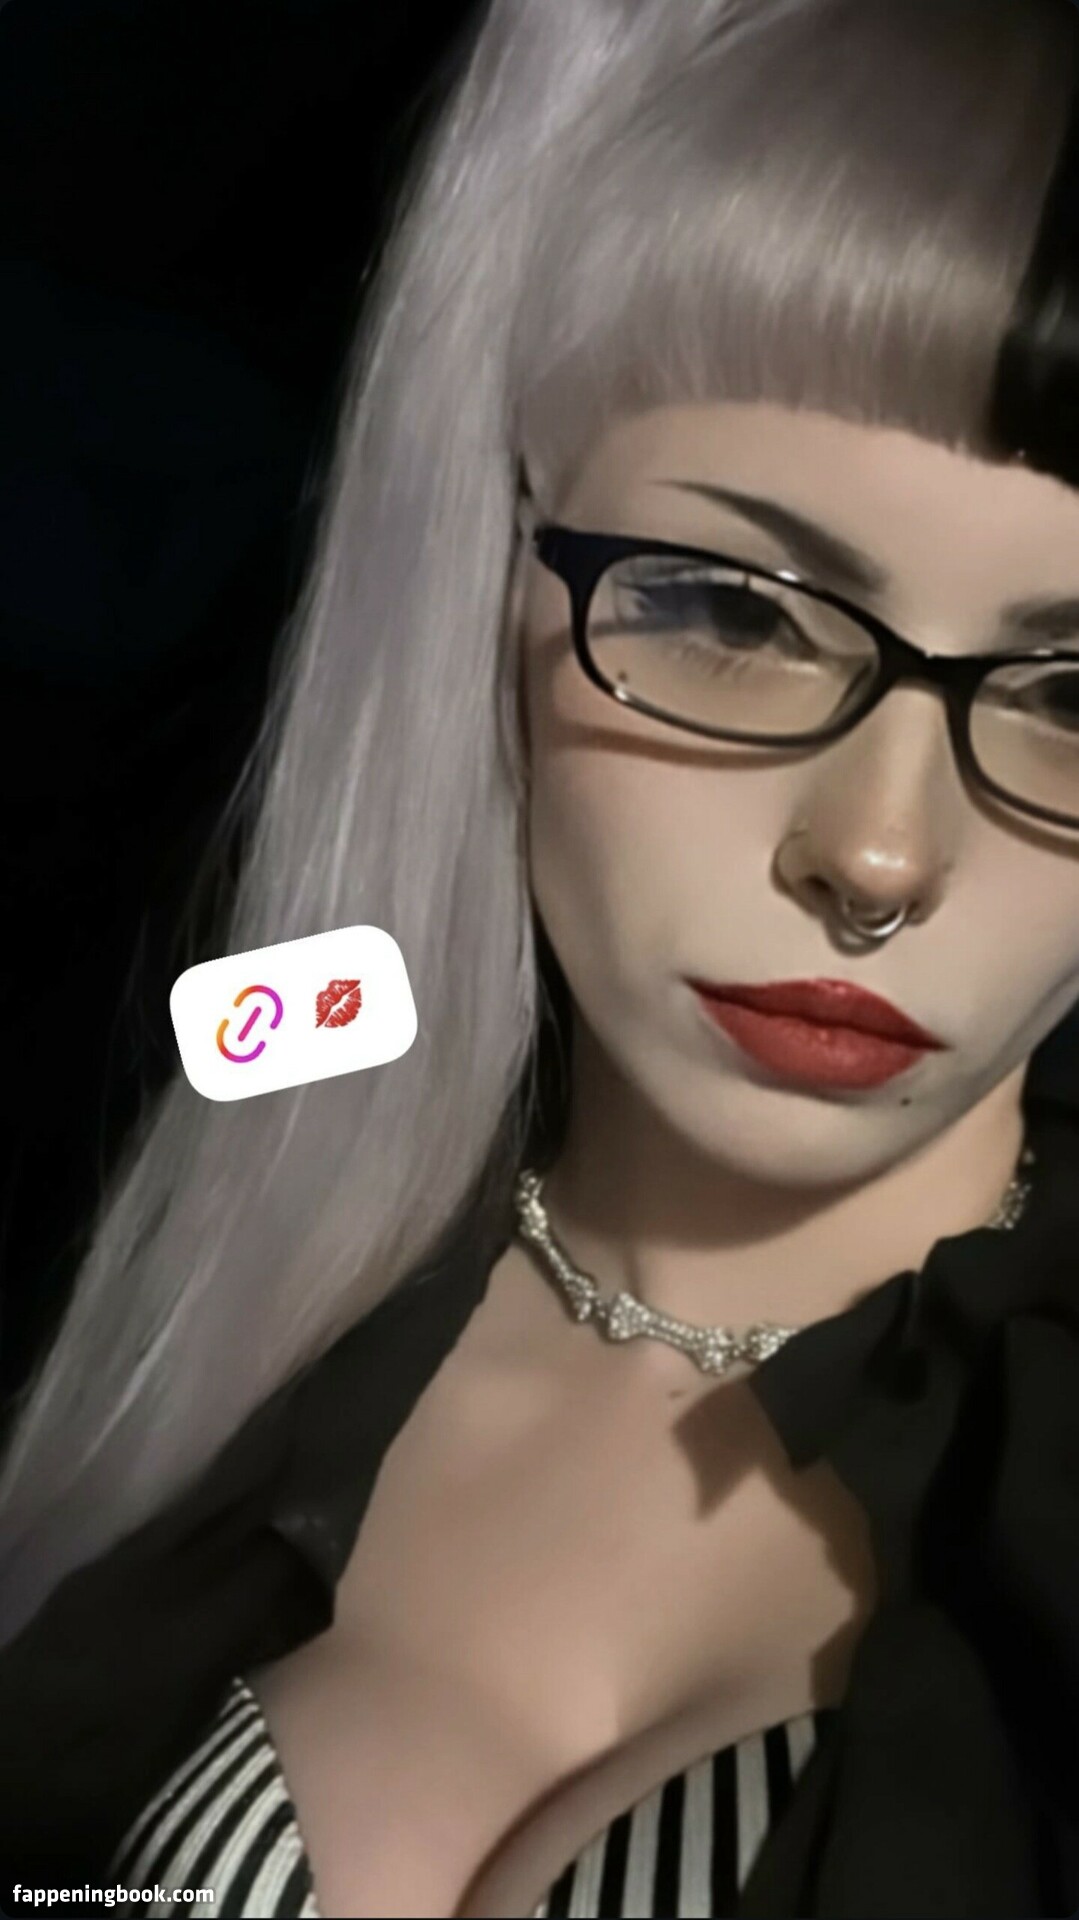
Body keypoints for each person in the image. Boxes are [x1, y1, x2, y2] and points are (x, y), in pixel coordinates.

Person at [2, 0, 1079, 1914]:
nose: (879, 855)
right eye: (731, 613)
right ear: (492, 566)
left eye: (1074, 696)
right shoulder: (241, 1130)